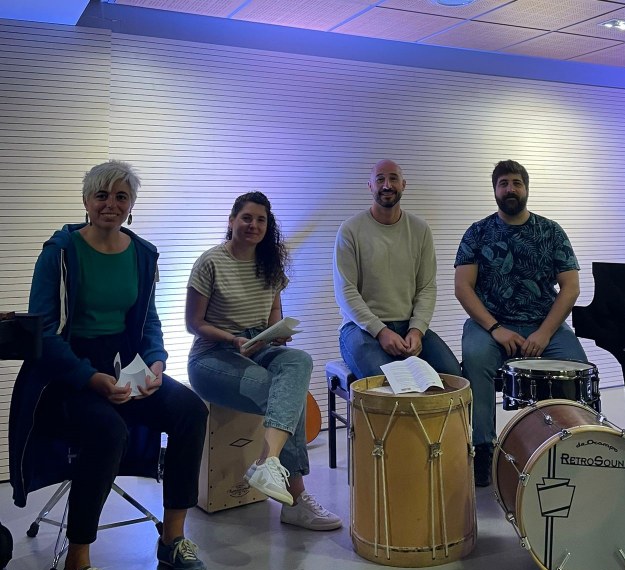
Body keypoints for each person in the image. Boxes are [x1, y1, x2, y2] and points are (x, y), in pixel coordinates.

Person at [9, 160, 209, 570]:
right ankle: (75, 568)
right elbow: (44, 333)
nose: (110, 205)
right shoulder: (59, 252)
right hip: (66, 375)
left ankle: (172, 538)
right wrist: (91, 379)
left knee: (190, 412)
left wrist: (157, 361)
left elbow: (148, 321)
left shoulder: (143, 253)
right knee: (107, 432)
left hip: (125, 366)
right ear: (86, 201)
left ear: (131, 205)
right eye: (102, 196)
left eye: (121, 197)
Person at [186, 191, 341, 531]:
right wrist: (232, 339)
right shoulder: (210, 262)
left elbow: (274, 314)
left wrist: (276, 333)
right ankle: (296, 498)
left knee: (298, 361)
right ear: (231, 221)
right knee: (285, 393)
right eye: (246, 218)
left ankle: (268, 463)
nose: (253, 225)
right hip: (212, 355)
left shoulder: (270, 264)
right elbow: (193, 323)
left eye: (261, 220)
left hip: (257, 347)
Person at [455, 160, 588, 486]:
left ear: (526, 188)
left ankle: (571, 443)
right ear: (495, 190)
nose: (510, 189)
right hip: (490, 325)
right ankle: (483, 449)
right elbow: (462, 288)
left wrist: (544, 333)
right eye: (503, 183)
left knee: (576, 366)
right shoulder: (478, 232)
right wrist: (495, 328)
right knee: (476, 361)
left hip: (544, 324)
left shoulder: (550, 231)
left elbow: (570, 288)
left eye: (516, 183)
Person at [333, 159, 461, 380]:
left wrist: (417, 330)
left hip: (408, 326)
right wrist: (380, 331)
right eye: (380, 179)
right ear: (370, 186)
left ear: (404, 184)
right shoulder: (350, 230)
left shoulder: (420, 230)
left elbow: (427, 288)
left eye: (393, 178)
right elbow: (346, 292)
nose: (387, 185)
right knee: (390, 383)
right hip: (360, 329)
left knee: (454, 378)